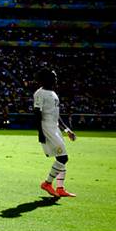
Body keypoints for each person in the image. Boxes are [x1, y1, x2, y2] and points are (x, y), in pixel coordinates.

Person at [34, 68, 77, 197]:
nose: (56, 78)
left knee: (61, 158)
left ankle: (60, 188)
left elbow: (57, 115)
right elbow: (37, 113)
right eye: (54, 76)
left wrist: (67, 130)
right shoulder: (39, 93)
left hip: (55, 128)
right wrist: (40, 133)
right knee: (63, 158)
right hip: (47, 128)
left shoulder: (53, 93)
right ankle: (47, 183)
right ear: (46, 79)